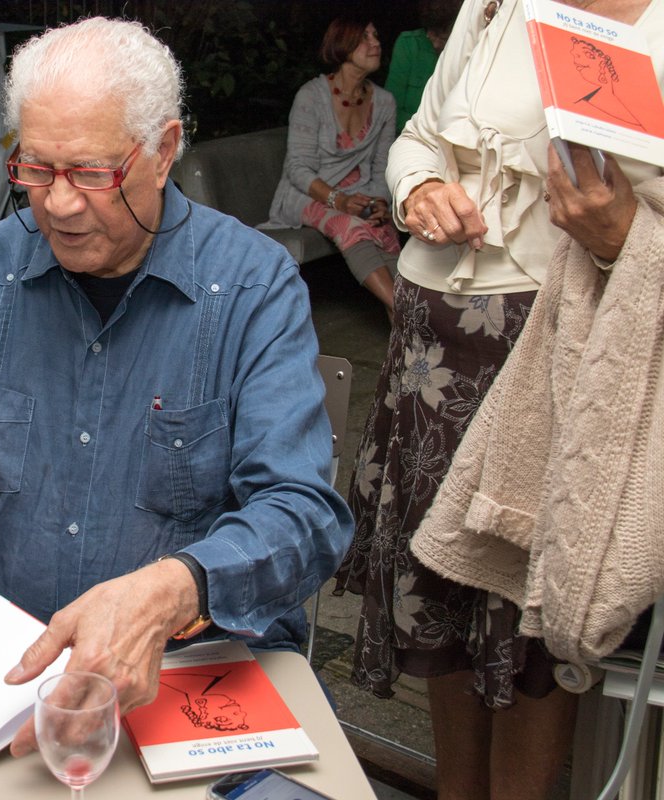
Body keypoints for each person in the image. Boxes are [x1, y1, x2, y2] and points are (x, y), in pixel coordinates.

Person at [0, 16, 353, 758]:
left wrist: (175, 589)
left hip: (186, 671)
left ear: (164, 151)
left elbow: (303, 515)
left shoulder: (253, 288)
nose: (60, 205)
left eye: (92, 174)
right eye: (35, 170)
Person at [333, 0, 663, 796]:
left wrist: (626, 239)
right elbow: (416, 136)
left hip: (557, 362)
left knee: (526, 633)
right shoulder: (498, 4)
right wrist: (419, 189)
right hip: (430, 359)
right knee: (445, 607)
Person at [265, 16, 401, 316]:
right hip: (305, 195)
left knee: (383, 225)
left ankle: (404, 329)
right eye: (365, 37)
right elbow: (298, 169)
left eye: (375, 35)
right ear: (343, 45)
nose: (376, 42)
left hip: (358, 191)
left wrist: (380, 201)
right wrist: (339, 200)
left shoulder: (385, 103)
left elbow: (382, 166)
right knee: (348, 224)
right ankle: (404, 312)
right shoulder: (311, 97)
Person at [385, 0, 463, 132]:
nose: (435, 43)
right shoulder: (408, 44)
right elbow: (391, 112)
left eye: (443, 38)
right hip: (411, 139)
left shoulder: (467, 51)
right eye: (430, 32)